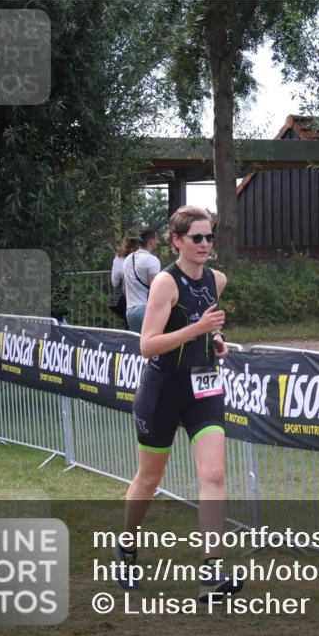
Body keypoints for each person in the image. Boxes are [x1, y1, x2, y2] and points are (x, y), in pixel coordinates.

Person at [119, 206, 239, 602]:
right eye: (197, 238)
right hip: (163, 390)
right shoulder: (165, 284)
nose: (206, 245)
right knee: (149, 480)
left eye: (209, 238)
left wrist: (214, 343)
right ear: (177, 241)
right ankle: (126, 548)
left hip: (204, 387)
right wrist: (198, 330)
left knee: (215, 474)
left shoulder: (217, 280)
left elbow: (206, 332)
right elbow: (147, 344)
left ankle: (212, 572)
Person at [122, 228, 161, 333]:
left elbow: (124, 288)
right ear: (150, 241)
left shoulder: (127, 260)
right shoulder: (152, 260)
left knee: (139, 346)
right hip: (147, 310)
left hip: (130, 311)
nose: (158, 242)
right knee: (155, 346)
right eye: (156, 239)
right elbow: (155, 290)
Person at [110, 236, 141, 329]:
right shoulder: (144, 258)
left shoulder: (119, 259)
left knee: (129, 328)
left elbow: (114, 282)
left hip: (127, 300)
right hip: (144, 299)